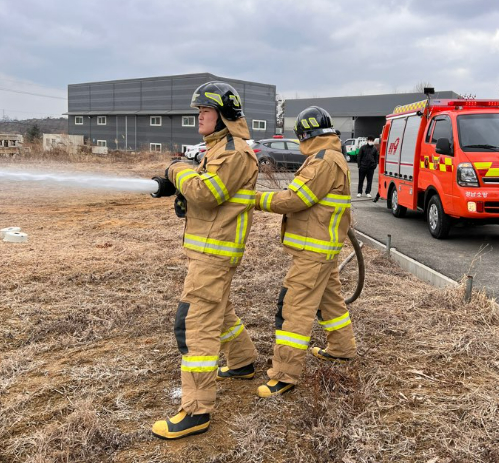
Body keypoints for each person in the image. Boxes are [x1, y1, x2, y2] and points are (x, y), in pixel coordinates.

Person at [151, 81, 258, 440]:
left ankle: (196, 411)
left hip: (215, 253)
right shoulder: (219, 149)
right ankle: (242, 363)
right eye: (198, 111)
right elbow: (203, 191)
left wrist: (175, 172)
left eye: (205, 111)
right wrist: (180, 188)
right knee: (220, 311)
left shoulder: (233, 152)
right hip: (213, 249)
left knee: (195, 323)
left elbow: (207, 193)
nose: (199, 117)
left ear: (224, 116)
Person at [254, 106, 356, 398]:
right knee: (331, 301)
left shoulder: (323, 161)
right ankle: (341, 348)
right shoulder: (330, 157)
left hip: (314, 250)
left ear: (305, 135)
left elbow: (294, 199)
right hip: (323, 248)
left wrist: (256, 200)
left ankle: (284, 375)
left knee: (295, 307)